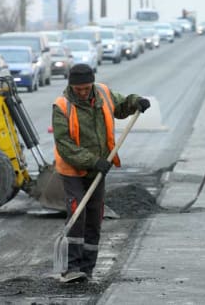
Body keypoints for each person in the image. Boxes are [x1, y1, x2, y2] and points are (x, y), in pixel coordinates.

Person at [52, 63, 151, 282]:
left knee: (95, 217)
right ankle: (70, 267)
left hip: (98, 168)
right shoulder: (62, 106)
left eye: (86, 87)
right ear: (71, 86)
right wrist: (93, 161)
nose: (83, 92)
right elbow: (64, 144)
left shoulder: (104, 93)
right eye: (78, 89)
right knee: (77, 214)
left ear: (92, 83)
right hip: (73, 169)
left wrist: (136, 101)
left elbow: (122, 106)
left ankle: (87, 268)